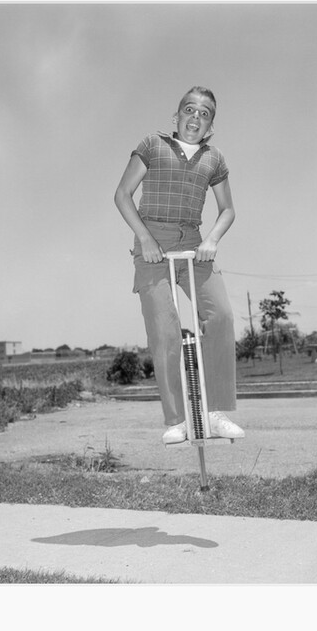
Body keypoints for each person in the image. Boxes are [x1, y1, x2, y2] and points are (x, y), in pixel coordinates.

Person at [114, 86, 245, 444]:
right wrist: (145, 239)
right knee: (165, 327)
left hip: (194, 243)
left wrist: (212, 240)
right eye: (190, 110)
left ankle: (214, 413)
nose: (196, 117)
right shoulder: (153, 145)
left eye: (205, 114)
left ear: (211, 126)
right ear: (176, 117)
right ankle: (177, 420)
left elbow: (227, 209)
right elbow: (122, 194)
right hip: (151, 240)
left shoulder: (214, 158)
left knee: (221, 316)